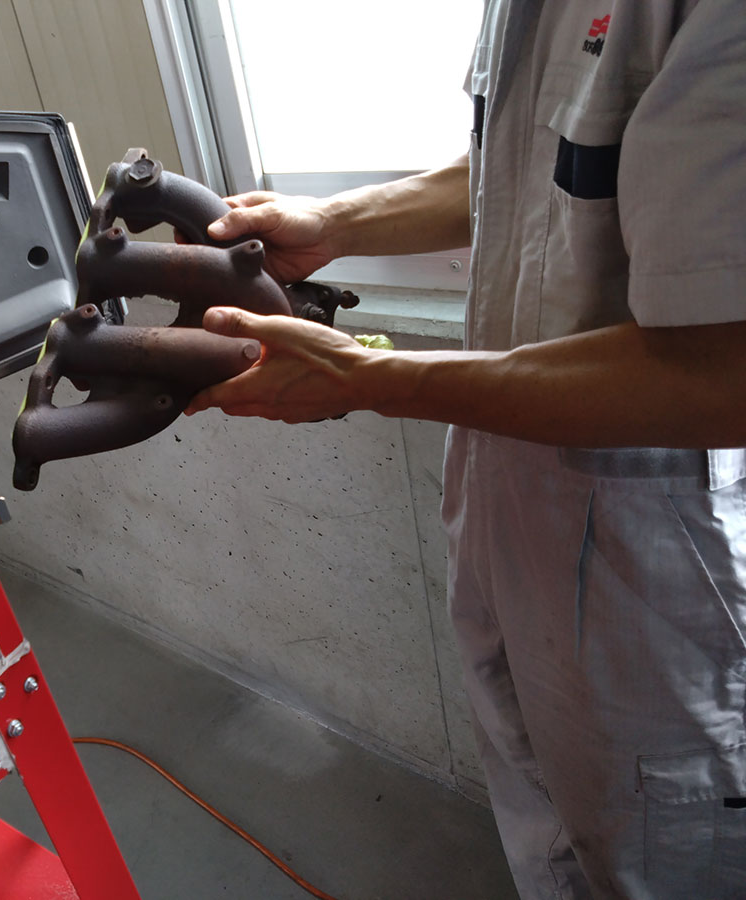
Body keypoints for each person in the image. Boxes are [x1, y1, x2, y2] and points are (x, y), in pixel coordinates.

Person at [184, 2, 746, 897]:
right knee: (546, 823)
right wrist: (337, 221)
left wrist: (377, 378)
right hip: (504, 497)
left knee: (661, 854)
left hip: (658, 555)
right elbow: (518, 166)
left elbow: (724, 372)